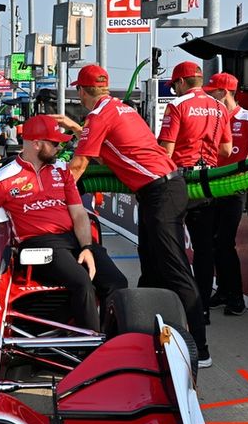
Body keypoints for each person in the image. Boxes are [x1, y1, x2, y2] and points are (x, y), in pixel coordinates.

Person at [58, 64, 212, 368]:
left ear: (82, 92)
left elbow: (77, 166)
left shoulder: (98, 114)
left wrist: (51, 198)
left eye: (78, 91)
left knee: (174, 269)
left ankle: (201, 348)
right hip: (162, 190)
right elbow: (111, 149)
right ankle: (141, 335)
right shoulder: (121, 108)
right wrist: (79, 130)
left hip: (161, 193)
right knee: (152, 269)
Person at [0, 115, 127, 331]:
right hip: (37, 244)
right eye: (54, 143)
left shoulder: (62, 171)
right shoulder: (2, 179)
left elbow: (79, 214)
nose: (59, 147)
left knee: (117, 282)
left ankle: (111, 340)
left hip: (71, 240)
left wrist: (87, 247)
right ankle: (89, 348)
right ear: (36, 144)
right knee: (82, 283)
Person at [158, 61, 233, 327]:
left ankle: (179, 307)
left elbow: (165, 151)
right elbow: (226, 151)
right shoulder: (220, 107)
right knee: (204, 249)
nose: (174, 90)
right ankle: (201, 309)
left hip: (179, 182)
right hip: (207, 182)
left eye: (174, 85)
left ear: (180, 83)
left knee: (172, 247)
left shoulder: (177, 105)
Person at [204, 72, 248, 316]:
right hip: (211, 186)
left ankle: (236, 297)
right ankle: (222, 290)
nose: (209, 95)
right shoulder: (212, 117)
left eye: (212, 92)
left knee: (224, 242)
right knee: (212, 243)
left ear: (224, 92)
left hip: (235, 189)